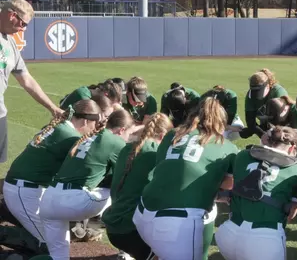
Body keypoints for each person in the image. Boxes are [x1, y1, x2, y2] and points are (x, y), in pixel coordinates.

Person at [133, 97, 239, 259]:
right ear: (221, 121)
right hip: (176, 224)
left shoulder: (172, 135)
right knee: (210, 209)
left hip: (142, 214)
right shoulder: (227, 146)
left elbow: (165, 168)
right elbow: (230, 183)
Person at [2, 99, 101, 250]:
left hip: (24, 188)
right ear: (86, 121)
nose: (95, 129)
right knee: (51, 243)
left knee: (53, 236)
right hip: (24, 192)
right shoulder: (71, 137)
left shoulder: (59, 127)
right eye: (96, 125)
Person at [37, 109, 134, 260]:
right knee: (129, 197)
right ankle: (127, 254)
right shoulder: (115, 141)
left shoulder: (87, 137)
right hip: (75, 201)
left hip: (48, 200)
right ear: (122, 129)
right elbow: (126, 178)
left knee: (58, 255)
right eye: (128, 133)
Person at [215, 126, 297, 260]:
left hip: (228, 232)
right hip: (265, 239)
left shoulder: (243, 155)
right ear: (292, 148)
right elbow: (292, 212)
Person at [0, 0, 64, 164]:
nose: (24, 29)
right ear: (12, 15)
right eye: (23, 24)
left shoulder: (10, 44)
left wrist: (53, 108)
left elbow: (26, 80)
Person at [102, 113, 173, 260]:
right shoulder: (156, 153)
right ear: (163, 135)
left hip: (114, 225)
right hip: (132, 230)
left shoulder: (127, 149)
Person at [240, 68, 289, 140]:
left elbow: (281, 121)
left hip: (284, 127)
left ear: (268, 86)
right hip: (267, 125)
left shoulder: (278, 93)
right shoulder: (250, 96)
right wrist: (261, 134)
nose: (256, 95)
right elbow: (250, 121)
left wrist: (263, 132)